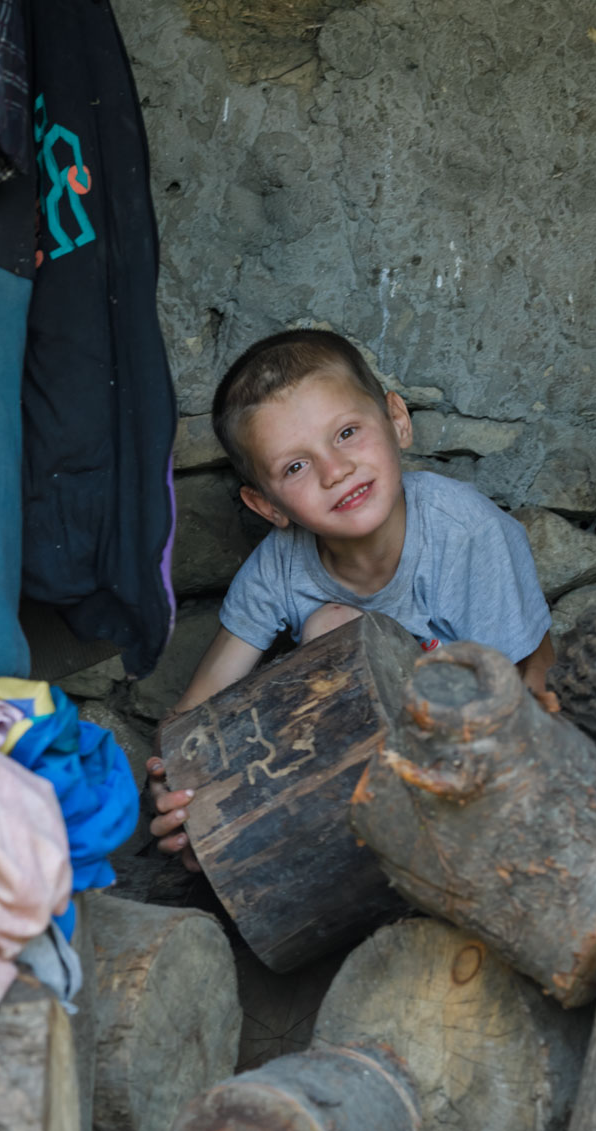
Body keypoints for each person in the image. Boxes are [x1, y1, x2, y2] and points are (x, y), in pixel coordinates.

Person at [145, 329, 556, 867]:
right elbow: (192, 718)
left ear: (397, 420)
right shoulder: (278, 567)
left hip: (488, 740)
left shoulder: (467, 533)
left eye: (346, 433)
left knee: (337, 629)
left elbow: (529, 693)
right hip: (369, 772)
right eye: (295, 467)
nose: (335, 471)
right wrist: (177, 790)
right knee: (332, 630)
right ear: (267, 505)